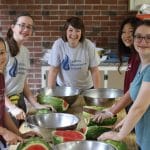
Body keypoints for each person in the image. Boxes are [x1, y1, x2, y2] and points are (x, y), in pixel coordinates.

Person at [98, 20, 150, 150]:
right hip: (143, 138)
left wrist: (119, 135)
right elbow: (134, 93)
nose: (143, 41)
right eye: (138, 36)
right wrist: (123, 119)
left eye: (149, 37)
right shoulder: (143, 64)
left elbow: (139, 107)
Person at [4, 12, 53, 127]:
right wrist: (11, 107)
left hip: (19, 102)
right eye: (22, 25)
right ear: (13, 27)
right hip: (5, 104)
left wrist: (35, 104)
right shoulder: (3, 49)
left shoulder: (25, 52)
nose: (25, 29)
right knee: (8, 142)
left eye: (29, 27)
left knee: (20, 137)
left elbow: (23, 82)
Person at [0, 37, 38, 149]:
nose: (1, 57)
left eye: (2, 52)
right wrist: (4, 132)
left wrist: (19, 134)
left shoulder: (1, 76)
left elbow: (3, 113)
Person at [47, 16, 101, 90]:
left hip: (86, 88)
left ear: (82, 32)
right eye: (70, 30)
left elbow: (94, 70)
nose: (74, 34)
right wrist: (51, 93)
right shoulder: (58, 45)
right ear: (66, 31)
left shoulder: (88, 45)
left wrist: (97, 92)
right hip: (64, 89)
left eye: (77, 30)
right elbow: (53, 70)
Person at [118, 16, 141, 113]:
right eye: (123, 32)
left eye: (130, 32)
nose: (126, 35)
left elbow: (135, 90)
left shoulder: (140, 58)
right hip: (130, 107)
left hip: (137, 110)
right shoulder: (133, 55)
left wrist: (112, 111)